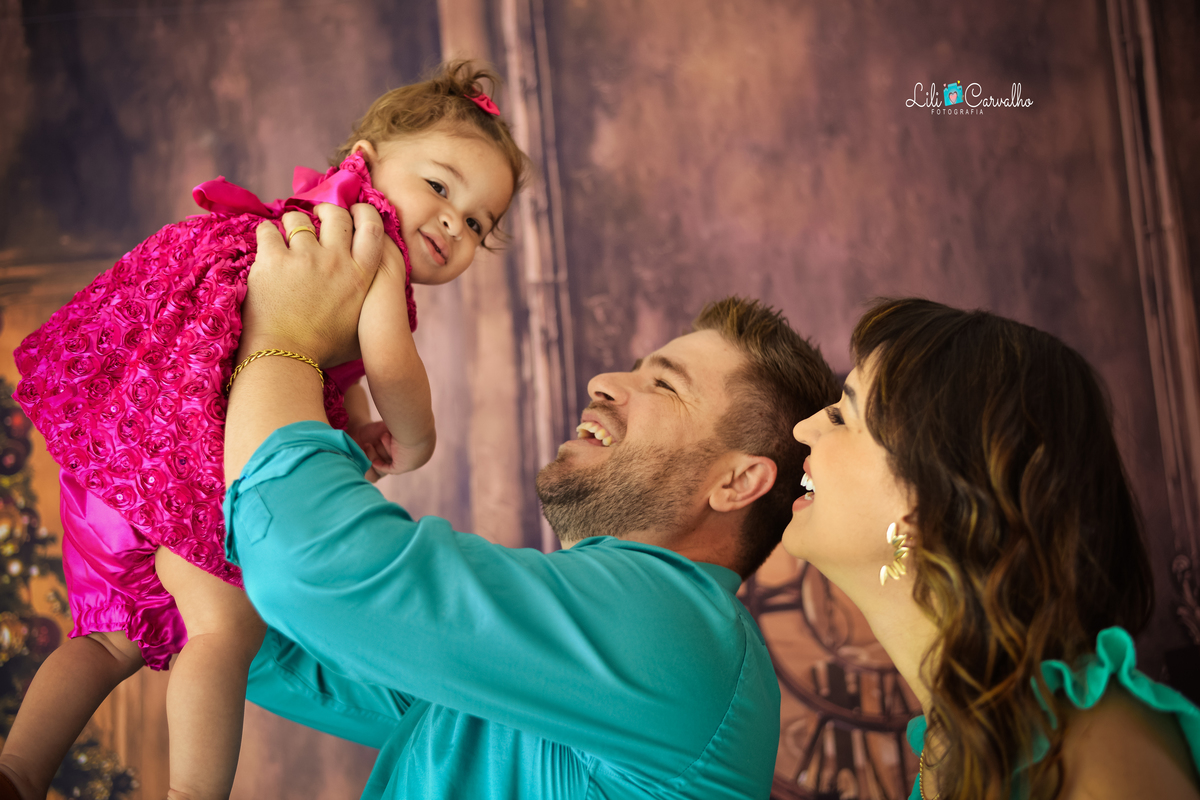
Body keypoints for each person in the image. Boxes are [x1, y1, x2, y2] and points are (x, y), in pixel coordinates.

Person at [2, 61, 525, 800]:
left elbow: (313, 351)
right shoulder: (366, 240)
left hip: (114, 456)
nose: (452, 223)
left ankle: (18, 770)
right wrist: (414, 439)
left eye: (477, 223)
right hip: (184, 462)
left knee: (108, 643)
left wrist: (357, 421)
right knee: (224, 633)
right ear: (367, 161)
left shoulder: (303, 225)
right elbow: (389, 361)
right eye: (440, 187)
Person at [217, 205, 839, 799]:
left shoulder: (681, 634)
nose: (604, 382)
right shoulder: (583, 655)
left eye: (663, 384)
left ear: (737, 482)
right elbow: (298, 656)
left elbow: (309, 567)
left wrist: (284, 338)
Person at [785, 297, 1200, 800]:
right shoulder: (950, 741)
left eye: (841, 415)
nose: (803, 428)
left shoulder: (1096, 754)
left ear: (928, 501)